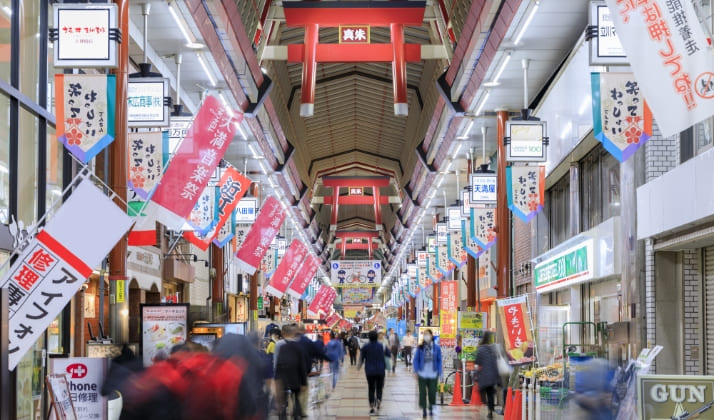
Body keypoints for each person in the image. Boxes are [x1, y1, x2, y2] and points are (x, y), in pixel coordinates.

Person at [274, 324, 307, 420]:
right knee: (296, 399)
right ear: (293, 334)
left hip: (283, 379)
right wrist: (303, 382)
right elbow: (302, 365)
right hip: (295, 380)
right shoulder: (298, 347)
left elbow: (277, 363)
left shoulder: (280, 346)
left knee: (283, 402)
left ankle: (283, 416)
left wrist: (276, 379)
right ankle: (296, 415)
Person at [357, 330, 390, 415]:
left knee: (371, 388)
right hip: (380, 370)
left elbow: (361, 358)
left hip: (369, 371)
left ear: (369, 337)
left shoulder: (365, 346)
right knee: (379, 387)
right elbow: (389, 354)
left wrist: (358, 367)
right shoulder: (382, 346)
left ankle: (371, 404)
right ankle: (378, 399)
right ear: (376, 337)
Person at [413, 329, 442, 418]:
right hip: (422, 373)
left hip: (433, 373)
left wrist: (440, 372)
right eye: (425, 334)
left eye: (428, 334)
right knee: (422, 392)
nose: (426, 336)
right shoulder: (420, 347)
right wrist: (416, 371)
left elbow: (439, 360)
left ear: (431, 336)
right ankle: (424, 409)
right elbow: (416, 359)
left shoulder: (437, 347)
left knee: (432, 392)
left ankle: (431, 407)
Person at [474, 331, 501, 419]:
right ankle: (490, 410)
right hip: (492, 375)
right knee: (490, 393)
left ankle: (488, 408)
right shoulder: (492, 349)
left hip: (484, 376)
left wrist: (476, 375)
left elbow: (477, 362)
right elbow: (496, 362)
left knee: (484, 392)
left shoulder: (480, 349)